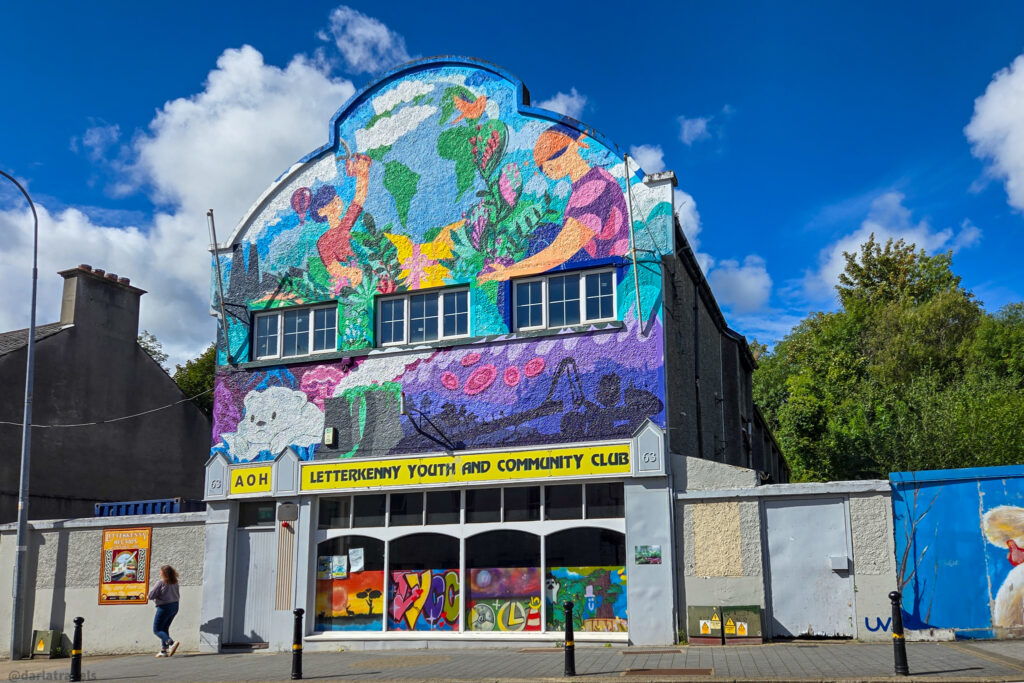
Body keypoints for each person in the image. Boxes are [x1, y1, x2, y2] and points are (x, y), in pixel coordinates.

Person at [478, 124, 629, 283]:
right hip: (595, 272)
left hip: (602, 274)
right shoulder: (588, 183)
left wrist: (511, 272)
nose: (548, 169)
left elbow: (563, 249)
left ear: (572, 146)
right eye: (543, 167)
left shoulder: (595, 186)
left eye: (553, 157)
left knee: (542, 235)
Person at [295, 153, 372, 294]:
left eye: (337, 199)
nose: (338, 202)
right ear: (321, 211)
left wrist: (362, 174)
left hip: (362, 269)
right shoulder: (323, 241)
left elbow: (358, 200)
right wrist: (351, 272)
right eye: (333, 201)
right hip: (353, 277)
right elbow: (334, 268)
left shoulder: (344, 226)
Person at [149, 565, 180, 657]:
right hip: (175, 606)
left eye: (160, 571)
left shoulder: (161, 583)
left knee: (157, 629)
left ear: (164, 573)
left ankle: (171, 643)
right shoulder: (175, 583)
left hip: (164, 607)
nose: (160, 572)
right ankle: (164, 650)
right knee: (165, 628)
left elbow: (151, 596)